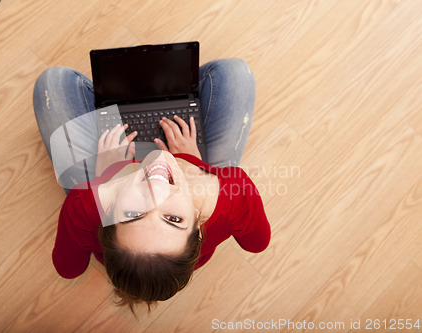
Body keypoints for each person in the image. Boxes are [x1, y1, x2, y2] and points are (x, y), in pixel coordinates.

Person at [33, 58, 271, 312]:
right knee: (235, 72)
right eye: (174, 219)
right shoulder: (232, 191)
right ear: (199, 227)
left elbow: (69, 269)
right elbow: (257, 244)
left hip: (110, 171)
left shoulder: (88, 200)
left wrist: (107, 175)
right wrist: (193, 163)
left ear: (109, 213)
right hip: (193, 166)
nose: (156, 188)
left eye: (133, 214)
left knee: (54, 81)